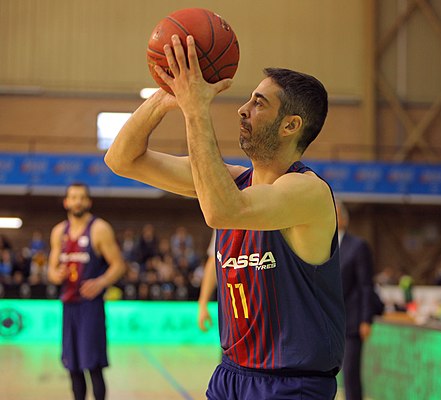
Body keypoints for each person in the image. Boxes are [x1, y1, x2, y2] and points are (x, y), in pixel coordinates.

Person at [105, 34, 345, 399]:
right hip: (231, 376)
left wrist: (196, 109)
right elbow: (121, 159)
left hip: (292, 385)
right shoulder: (232, 180)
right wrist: (166, 95)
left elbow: (221, 210)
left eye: (259, 103)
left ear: (290, 125)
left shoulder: (307, 192)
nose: (242, 108)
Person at [47, 183, 126, 400]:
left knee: (94, 366)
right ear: (66, 202)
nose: (77, 201)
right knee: (72, 367)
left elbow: (119, 265)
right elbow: (51, 272)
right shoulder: (58, 232)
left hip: (91, 307)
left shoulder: (99, 229)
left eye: (82, 197)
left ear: (89, 202)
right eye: (73, 197)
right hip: (69, 305)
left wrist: (100, 282)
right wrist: (57, 275)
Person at [336, 200, 376, 400]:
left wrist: (365, 319)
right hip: (329, 322)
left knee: (351, 374)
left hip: (352, 323)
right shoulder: (321, 245)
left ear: (343, 218)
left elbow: (366, 286)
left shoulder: (358, 246)